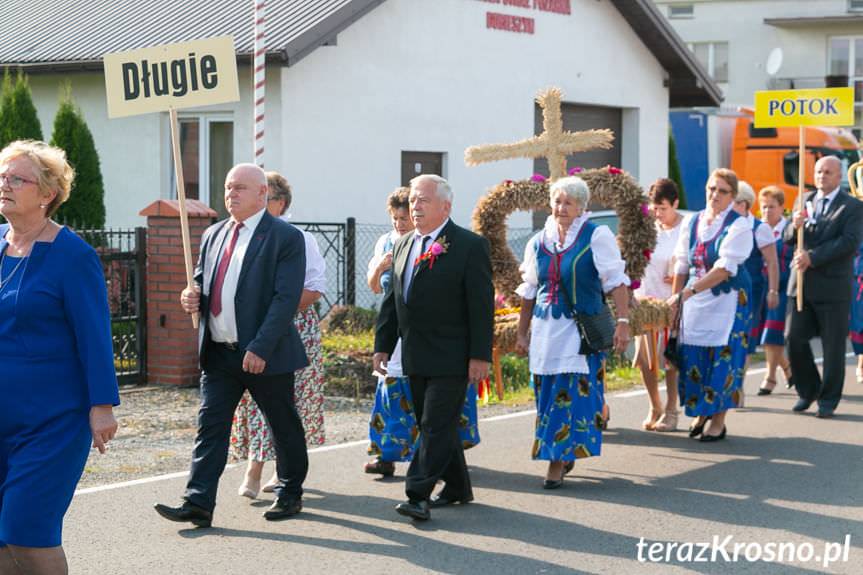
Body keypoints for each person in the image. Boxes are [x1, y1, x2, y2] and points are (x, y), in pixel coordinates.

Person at [154, 163, 309, 526]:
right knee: (211, 426)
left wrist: (261, 347)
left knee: (282, 425)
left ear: (262, 193)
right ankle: (198, 501)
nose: (231, 194)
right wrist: (191, 295)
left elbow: (285, 299)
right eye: (227, 187)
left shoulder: (284, 237)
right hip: (219, 352)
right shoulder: (214, 234)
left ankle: (290, 493)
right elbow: (201, 280)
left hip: (263, 353)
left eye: (240, 187)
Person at [0, 140, 119, 574]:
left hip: (52, 421)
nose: (4, 185)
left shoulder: (73, 256)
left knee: (27, 530)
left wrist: (102, 405)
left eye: (17, 179)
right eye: (2, 176)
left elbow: (94, 336)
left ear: (47, 193)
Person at [373, 174, 493, 521]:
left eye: (423, 200)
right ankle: (457, 486)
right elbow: (393, 301)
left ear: (446, 206)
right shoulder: (402, 245)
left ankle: (417, 494)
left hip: (453, 355)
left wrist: (480, 355)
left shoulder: (469, 245)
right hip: (415, 353)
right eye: (413, 199)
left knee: (434, 424)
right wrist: (383, 345)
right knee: (438, 424)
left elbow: (480, 306)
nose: (415, 206)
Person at [514, 176, 630, 488]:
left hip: (578, 331)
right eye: (557, 201)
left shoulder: (596, 236)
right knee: (546, 394)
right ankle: (562, 451)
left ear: (581, 207)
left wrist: (623, 321)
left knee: (570, 394)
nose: (561, 207)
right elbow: (529, 290)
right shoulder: (538, 241)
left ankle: (555, 461)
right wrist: (522, 333)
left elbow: (615, 280)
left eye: (569, 202)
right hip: (545, 330)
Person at [231, 171, 326, 498]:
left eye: (265, 197)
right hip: (251, 327)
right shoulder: (240, 235)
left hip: (293, 328)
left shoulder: (298, 238)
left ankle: (274, 470)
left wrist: (275, 307)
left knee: (284, 402)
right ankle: (257, 467)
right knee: (253, 400)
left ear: (279, 203)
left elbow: (314, 289)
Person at [669, 168, 753, 442]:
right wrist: (675, 301)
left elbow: (725, 269)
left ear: (732, 196)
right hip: (695, 299)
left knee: (723, 359)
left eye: (722, 191)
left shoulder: (739, 226)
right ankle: (701, 409)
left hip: (728, 299)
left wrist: (688, 292)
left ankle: (718, 420)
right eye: (711, 189)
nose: (715, 195)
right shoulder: (693, 221)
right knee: (692, 356)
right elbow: (682, 264)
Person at [784, 156, 863, 418]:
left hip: (833, 288)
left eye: (828, 172)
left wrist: (813, 257)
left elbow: (849, 242)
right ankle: (808, 390)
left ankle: (828, 400)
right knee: (793, 338)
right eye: (819, 171)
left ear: (839, 175)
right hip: (801, 285)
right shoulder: (803, 199)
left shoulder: (852, 207)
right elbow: (787, 238)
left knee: (832, 348)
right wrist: (793, 226)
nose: (822, 176)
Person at [633, 178, 683, 432]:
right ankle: (655, 405)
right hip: (645, 301)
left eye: (663, 208)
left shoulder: (686, 228)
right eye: (655, 208)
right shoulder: (648, 229)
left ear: (675, 204)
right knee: (645, 359)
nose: (659, 213)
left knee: (670, 360)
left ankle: (672, 409)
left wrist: (680, 279)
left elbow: (691, 263)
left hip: (672, 302)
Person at [732, 182, 780, 390]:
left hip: (751, 290)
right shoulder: (725, 225)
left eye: (732, 201)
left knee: (745, 338)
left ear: (743, 204)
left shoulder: (760, 228)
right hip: (726, 289)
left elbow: (772, 262)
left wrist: (773, 290)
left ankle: (738, 386)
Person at [756, 186, 793, 394]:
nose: (767, 211)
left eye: (772, 206)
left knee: (772, 332)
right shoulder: (757, 228)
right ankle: (787, 367)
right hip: (759, 286)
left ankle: (769, 377)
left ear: (781, 208)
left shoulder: (789, 231)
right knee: (760, 333)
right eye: (764, 207)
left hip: (781, 287)